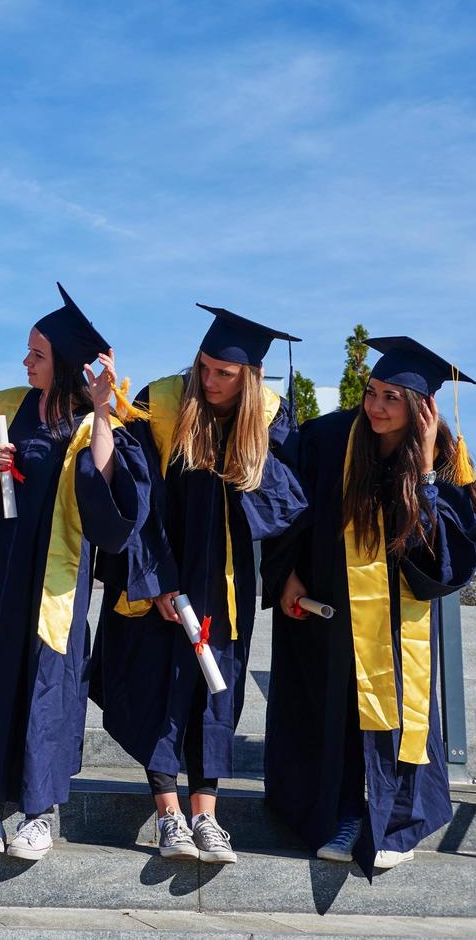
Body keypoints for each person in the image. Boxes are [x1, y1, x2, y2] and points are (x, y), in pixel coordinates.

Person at [0, 285, 150, 861]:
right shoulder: (2, 406)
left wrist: (103, 411)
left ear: (66, 367)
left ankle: (39, 813)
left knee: (47, 689)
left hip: (56, 585)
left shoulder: (95, 423)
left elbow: (111, 510)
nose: (24, 362)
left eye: (36, 355)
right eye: (27, 352)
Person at [263, 336, 476, 874]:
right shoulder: (331, 437)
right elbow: (286, 499)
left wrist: (429, 468)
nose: (377, 406)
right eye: (373, 392)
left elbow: (457, 547)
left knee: (399, 716)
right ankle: (339, 815)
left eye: (393, 397)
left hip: (400, 616)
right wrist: (287, 572)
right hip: (331, 608)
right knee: (333, 711)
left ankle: (397, 821)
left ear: (422, 408)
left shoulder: (449, 457)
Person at [92, 305, 306, 865]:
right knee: (159, 689)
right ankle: (169, 816)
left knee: (217, 693)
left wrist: (246, 447)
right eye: (204, 368)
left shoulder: (273, 417)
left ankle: (207, 816)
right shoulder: (162, 401)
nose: (208, 381)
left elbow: (288, 503)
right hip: (160, 577)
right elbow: (136, 497)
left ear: (250, 378)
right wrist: (157, 582)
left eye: (223, 374)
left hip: (225, 585)